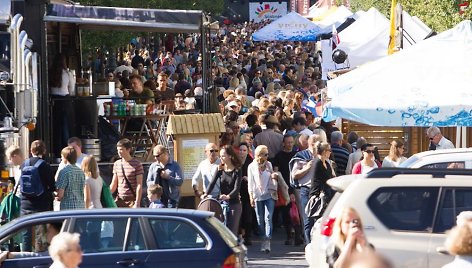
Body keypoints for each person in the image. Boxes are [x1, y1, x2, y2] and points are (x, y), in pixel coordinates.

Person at [20, 140, 55, 252]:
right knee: (41, 236)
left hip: (25, 204)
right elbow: (52, 185)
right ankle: (39, 261)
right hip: (41, 205)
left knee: (26, 235)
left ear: (31, 150)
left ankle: (24, 260)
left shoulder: (23, 164)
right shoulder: (45, 165)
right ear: (44, 151)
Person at [204, 145, 243, 236]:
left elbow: (236, 188)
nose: (220, 157)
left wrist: (228, 196)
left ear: (230, 156)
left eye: (223, 156)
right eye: (220, 155)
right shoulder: (220, 168)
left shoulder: (237, 170)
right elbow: (212, 183)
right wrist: (205, 194)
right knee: (222, 230)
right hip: (222, 203)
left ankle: (234, 247)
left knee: (232, 230)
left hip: (234, 203)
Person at [273, 134, 303, 246]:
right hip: (283, 186)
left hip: (295, 185)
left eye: (291, 142)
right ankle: (289, 235)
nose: (290, 144)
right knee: (286, 212)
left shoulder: (296, 155)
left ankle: (298, 234)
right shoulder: (279, 156)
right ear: (283, 143)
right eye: (288, 142)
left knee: (296, 211)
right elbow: (276, 172)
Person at [247, 145, 278, 253]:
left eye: (267, 154)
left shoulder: (269, 164)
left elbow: (272, 176)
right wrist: (251, 196)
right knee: (260, 220)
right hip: (257, 195)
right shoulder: (251, 166)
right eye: (265, 154)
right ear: (258, 155)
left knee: (268, 217)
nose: (267, 156)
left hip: (269, 194)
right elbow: (250, 183)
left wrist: (274, 176)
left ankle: (267, 240)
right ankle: (263, 238)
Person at [289, 134, 319, 243]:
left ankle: (316, 244)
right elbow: (294, 175)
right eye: (318, 143)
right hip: (306, 190)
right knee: (308, 220)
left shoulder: (323, 156)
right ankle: (309, 245)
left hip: (320, 191)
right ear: (312, 143)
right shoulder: (301, 156)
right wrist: (307, 168)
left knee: (318, 220)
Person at [307, 142, 335, 240]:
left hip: (327, 194)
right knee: (317, 221)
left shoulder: (326, 163)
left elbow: (331, 177)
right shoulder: (317, 163)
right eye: (329, 150)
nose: (330, 152)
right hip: (318, 195)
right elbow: (319, 179)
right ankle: (313, 240)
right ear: (324, 152)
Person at [110, 139, 144, 208]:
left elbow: (139, 185)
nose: (119, 152)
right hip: (120, 200)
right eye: (118, 150)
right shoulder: (117, 164)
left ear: (128, 149)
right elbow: (114, 184)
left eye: (121, 149)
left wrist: (137, 202)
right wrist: (106, 196)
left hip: (132, 200)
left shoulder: (137, 164)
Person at [239, 142, 254, 245]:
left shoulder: (251, 162)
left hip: (248, 191)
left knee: (248, 215)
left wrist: (248, 179)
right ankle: (240, 235)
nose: (242, 152)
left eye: (244, 150)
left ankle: (248, 236)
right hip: (238, 191)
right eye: (240, 150)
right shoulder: (236, 162)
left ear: (248, 151)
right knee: (239, 215)